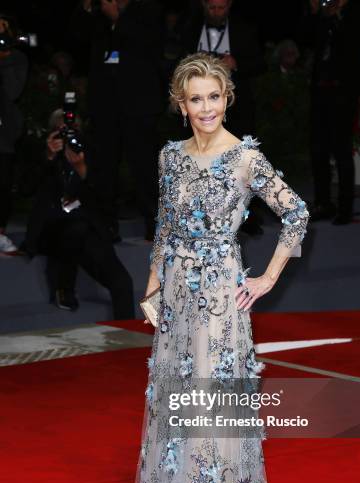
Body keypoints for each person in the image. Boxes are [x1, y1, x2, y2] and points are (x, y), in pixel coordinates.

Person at [123, 53, 309, 483]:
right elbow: (163, 227)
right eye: (195, 98)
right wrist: (152, 290)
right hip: (176, 298)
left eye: (214, 96)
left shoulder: (245, 158)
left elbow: (296, 212)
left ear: (227, 98)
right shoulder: (170, 157)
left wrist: (268, 277)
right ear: (181, 105)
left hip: (220, 300)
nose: (206, 107)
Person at [23, 108, 135, 319]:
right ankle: (63, 287)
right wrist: (48, 157)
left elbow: (106, 196)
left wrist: (83, 169)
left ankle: (128, 338)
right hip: (54, 230)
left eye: (73, 130)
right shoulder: (43, 155)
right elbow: (25, 188)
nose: (68, 136)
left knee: (122, 281)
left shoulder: (90, 152)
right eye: (62, 130)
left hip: (87, 230)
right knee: (74, 229)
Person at [71, 0, 163, 241]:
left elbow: (149, 45)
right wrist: (89, 9)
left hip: (138, 104)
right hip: (105, 105)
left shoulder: (146, 11)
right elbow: (78, 39)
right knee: (104, 168)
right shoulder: (97, 15)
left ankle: (155, 224)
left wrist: (118, 18)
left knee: (144, 167)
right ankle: (105, 225)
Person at [181, 0, 266, 235]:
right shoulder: (188, 28)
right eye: (212, 8)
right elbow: (171, 61)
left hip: (235, 106)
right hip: (200, 107)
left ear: (229, 6)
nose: (216, 13)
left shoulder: (244, 29)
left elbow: (260, 63)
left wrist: (236, 64)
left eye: (221, 8)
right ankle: (203, 216)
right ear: (203, 6)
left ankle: (246, 217)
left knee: (241, 159)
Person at [299, 0, 360, 224]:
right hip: (321, 89)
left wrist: (336, 16)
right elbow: (307, 41)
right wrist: (314, 13)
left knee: (341, 148)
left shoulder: (354, 14)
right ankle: (323, 203)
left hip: (344, 90)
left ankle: (345, 207)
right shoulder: (323, 16)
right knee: (318, 147)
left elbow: (353, 46)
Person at [0, 15, 28, 253]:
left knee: (2, 183)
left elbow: (12, 91)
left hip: (4, 133)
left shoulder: (16, 59)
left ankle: (0, 233)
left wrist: (4, 57)